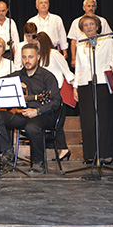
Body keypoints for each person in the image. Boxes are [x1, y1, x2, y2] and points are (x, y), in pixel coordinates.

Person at [0, 44, 61, 174]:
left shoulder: (47, 76)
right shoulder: (18, 75)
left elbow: (56, 101)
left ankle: (38, 163)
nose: (27, 60)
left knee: (32, 127)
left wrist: (37, 111)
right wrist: (12, 85)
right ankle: (7, 151)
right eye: (24, 57)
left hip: (44, 115)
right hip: (23, 115)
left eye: (31, 57)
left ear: (38, 57)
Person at [73, 14, 113, 163]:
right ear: (82, 29)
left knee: (104, 119)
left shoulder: (107, 41)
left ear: (97, 26)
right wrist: (75, 86)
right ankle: (91, 154)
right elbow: (78, 67)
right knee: (88, 121)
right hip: (84, 84)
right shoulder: (80, 44)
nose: (89, 27)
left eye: (91, 24)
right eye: (85, 25)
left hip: (102, 82)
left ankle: (106, 154)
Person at [35, 32, 75, 161]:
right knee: (46, 123)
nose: (35, 46)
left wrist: (75, 87)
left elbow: (67, 71)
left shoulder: (54, 54)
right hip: (43, 95)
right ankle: (59, 149)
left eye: (37, 43)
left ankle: (63, 149)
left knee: (56, 123)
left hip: (56, 93)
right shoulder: (39, 57)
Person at [68, 0, 113, 68]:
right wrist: (73, 58)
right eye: (89, 6)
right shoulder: (76, 22)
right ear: (84, 8)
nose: (91, 8)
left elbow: (109, 38)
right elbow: (73, 41)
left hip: (100, 54)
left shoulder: (102, 21)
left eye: (93, 6)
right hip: (83, 54)